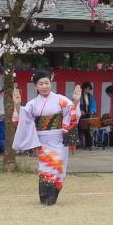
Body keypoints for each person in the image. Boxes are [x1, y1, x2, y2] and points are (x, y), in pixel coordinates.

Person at [12, 70, 81, 206]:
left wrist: (76, 101)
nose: (44, 86)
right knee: (46, 168)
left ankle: (53, 195)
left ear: (51, 83)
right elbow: (23, 119)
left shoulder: (61, 100)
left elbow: (73, 114)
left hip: (59, 139)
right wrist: (17, 105)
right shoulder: (33, 104)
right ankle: (45, 197)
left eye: (47, 83)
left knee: (59, 168)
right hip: (43, 141)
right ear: (36, 86)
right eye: (41, 84)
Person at [78, 81, 98, 150]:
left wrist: (92, 111)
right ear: (83, 88)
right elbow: (75, 103)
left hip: (87, 114)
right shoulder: (79, 95)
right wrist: (79, 110)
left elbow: (93, 104)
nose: (88, 90)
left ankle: (88, 144)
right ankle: (79, 144)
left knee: (87, 129)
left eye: (89, 89)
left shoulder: (90, 96)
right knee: (80, 130)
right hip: (80, 115)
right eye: (87, 89)